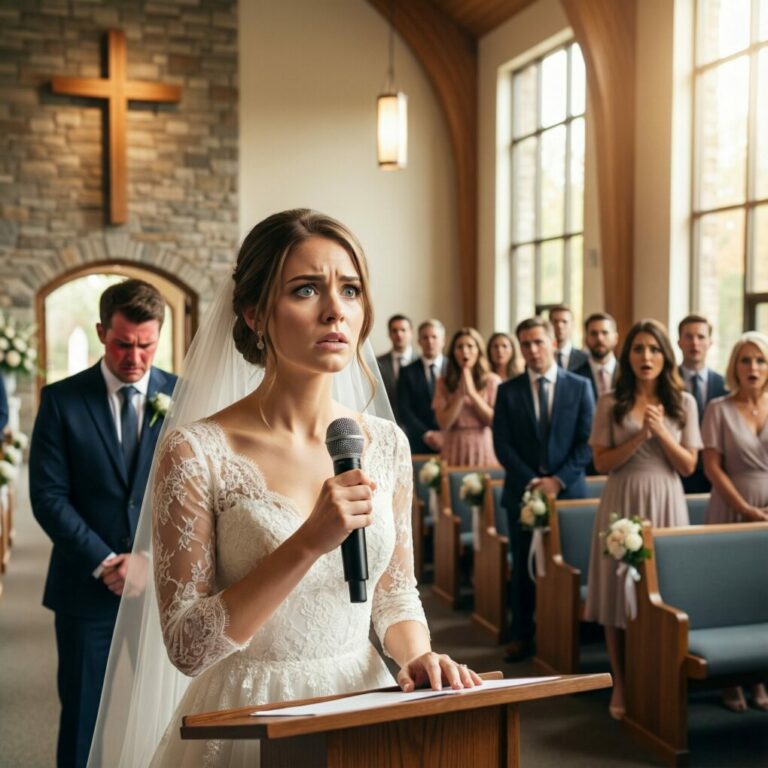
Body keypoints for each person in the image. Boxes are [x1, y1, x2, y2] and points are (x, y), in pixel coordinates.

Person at [88, 210, 480, 768]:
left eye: (350, 290)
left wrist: (417, 654)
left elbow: (394, 592)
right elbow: (187, 647)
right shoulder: (195, 451)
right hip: (250, 714)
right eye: (306, 289)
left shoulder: (386, 443)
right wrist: (307, 542)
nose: (335, 310)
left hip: (361, 699)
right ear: (255, 314)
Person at [29, 279, 176, 768]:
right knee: (82, 719)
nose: (134, 357)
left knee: (167, 715)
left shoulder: (184, 396)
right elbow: (48, 496)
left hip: (163, 589)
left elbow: (196, 496)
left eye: (146, 345)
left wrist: (148, 559)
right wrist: (107, 561)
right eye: (122, 344)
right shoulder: (61, 400)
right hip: (85, 587)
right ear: (100, 332)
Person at [583, 319, 701, 719]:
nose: (646, 357)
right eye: (638, 349)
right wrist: (640, 437)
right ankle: (621, 681)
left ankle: (658, 679)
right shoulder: (609, 401)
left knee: (664, 593)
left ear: (665, 356)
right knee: (617, 591)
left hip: (667, 499)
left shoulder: (684, 403)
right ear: (627, 355)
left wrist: (661, 432)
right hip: (622, 498)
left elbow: (688, 466)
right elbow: (602, 464)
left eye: (653, 349)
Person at [492, 317, 594, 662]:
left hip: (569, 493)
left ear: (552, 343)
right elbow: (502, 445)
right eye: (526, 344)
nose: (533, 350)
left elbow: (586, 442)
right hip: (522, 492)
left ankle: (567, 633)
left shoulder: (579, 386)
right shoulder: (508, 390)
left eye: (538, 342)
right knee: (523, 567)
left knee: (568, 566)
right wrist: (533, 482)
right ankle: (522, 634)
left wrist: (557, 480)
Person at [702, 331, 768, 713]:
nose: (753, 367)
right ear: (734, 367)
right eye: (745, 360)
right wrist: (744, 507)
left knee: (759, 591)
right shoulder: (718, 408)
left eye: (760, 360)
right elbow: (712, 467)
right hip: (730, 506)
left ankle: (758, 675)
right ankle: (730, 681)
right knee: (727, 593)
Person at [433, 327, 500, 466]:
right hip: (453, 446)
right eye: (459, 347)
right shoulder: (442, 382)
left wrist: (472, 394)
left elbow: (494, 421)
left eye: (470, 346)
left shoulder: (492, 381)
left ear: (479, 350)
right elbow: (443, 424)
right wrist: (460, 394)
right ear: (453, 352)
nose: (465, 351)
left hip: (483, 445)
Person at [677, 314, 728, 493]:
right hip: (676, 470)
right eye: (688, 337)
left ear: (710, 342)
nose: (695, 343)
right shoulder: (666, 383)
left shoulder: (725, 385)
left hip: (716, 474)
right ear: (679, 342)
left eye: (701, 337)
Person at [397, 319, 446, 454]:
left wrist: (445, 434)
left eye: (434, 337)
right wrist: (427, 434)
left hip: (451, 441)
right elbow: (404, 409)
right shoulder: (407, 372)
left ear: (443, 341)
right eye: (425, 337)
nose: (430, 341)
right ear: (419, 341)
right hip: (419, 442)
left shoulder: (454, 370)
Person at [573, 312, 620, 401]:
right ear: (586, 339)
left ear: (615, 338)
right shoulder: (575, 377)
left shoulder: (629, 374)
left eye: (605, 333)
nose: (599, 338)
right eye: (593, 333)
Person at [376, 314, 414, 422]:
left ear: (411, 333)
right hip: (387, 421)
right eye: (394, 330)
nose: (399, 334)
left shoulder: (421, 362)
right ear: (389, 334)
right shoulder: (377, 363)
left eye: (403, 330)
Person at [549, 304, 588, 371]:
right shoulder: (541, 357)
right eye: (555, 322)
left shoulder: (584, 358)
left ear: (572, 325)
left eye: (564, 322)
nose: (559, 326)